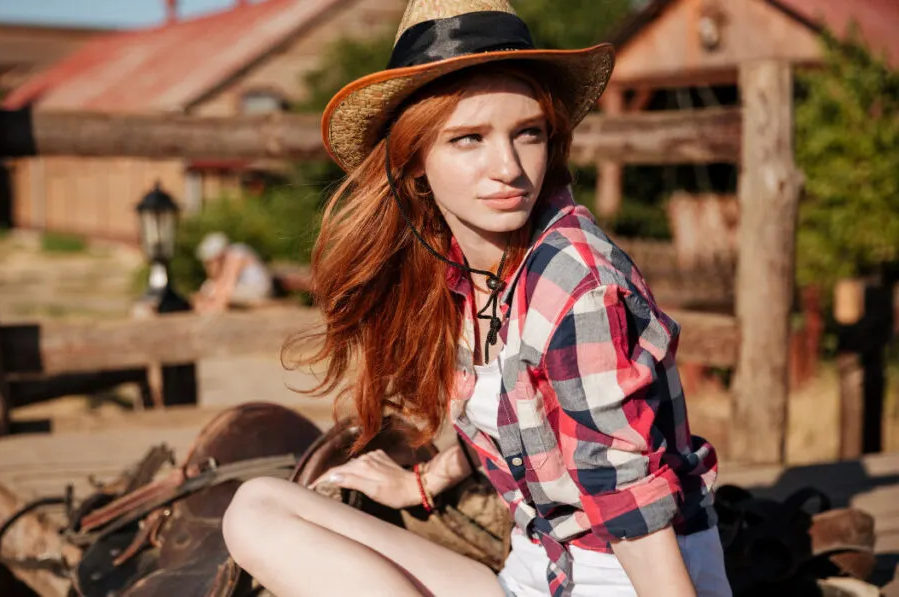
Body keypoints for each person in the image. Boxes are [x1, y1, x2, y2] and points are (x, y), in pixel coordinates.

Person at [222, 1, 729, 596]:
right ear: (414, 159)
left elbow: (630, 506)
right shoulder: (460, 265)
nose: (509, 168)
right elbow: (518, 412)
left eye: (528, 133)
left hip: (622, 576)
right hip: (538, 566)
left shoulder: (577, 284)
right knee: (255, 507)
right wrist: (425, 480)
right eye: (469, 139)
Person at [193, 232, 274, 312]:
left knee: (212, 291)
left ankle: (213, 307)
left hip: (255, 290)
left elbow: (228, 284)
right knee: (208, 288)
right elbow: (218, 281)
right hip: (244, 289)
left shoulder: (236, 254)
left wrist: (217, 304)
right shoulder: (228, 257)